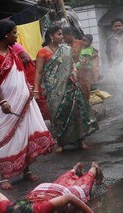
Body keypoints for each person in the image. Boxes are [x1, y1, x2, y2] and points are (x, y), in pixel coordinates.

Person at [0, 19, 55, 189]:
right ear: (5, 34)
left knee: (26, 136)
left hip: (24, 101)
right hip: (7, 104)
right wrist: (3, 102)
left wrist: (28, 89)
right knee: (8, 138)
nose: (16, 36)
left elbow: (20, 74)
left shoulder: (12, 52)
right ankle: (5, 177)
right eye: (14, 33)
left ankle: (26, 170)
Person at [34, 25, 99, 153]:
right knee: (58, 115)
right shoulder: (43, 52)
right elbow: (39, 72)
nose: (62, 37)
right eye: (59, 34)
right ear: (51, 36)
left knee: (76, 112)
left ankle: (80, 140)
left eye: (62, 34)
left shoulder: (66, 49)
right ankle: (61, 143)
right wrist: (36, 90)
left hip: (70, 85)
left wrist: (74, 70)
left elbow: (72, 63)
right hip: (53, 89)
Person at [76, 34, 99, 101]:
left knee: (85, 88)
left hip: (84, 71)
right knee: (86, 88)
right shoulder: (89, 48)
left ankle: (87, 102)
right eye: (82, 40)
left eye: (85, 41)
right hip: (87, 70)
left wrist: (77, 65)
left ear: (90, 42)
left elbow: (85, 62)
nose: (83, 42)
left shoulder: (87, 51)